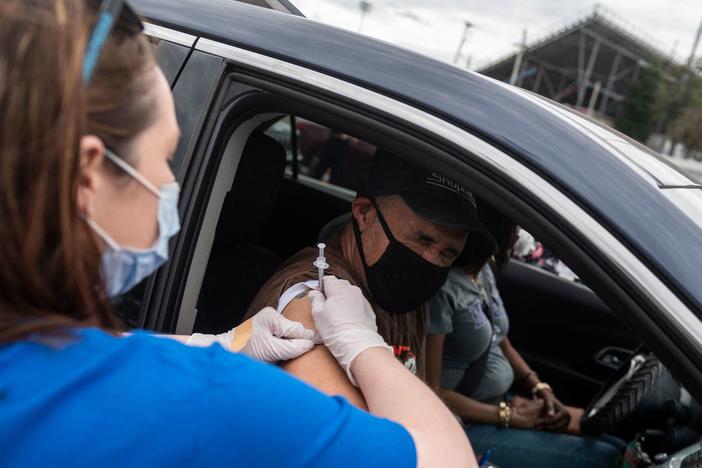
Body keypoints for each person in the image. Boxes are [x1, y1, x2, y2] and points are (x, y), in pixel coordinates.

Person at [0, 1, 477, 466]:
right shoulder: (207, 397)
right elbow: (445, 459)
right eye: (167, 157)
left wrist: (218, 341)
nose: (173, 182)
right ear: (88, 177)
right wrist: (364, 346)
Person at [245, 149, 490, 407]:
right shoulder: (315, 300)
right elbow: (351, 441)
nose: (431, 260)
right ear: (364, 213)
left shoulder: (402, 294)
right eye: (423, 239)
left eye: (448, 252)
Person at [425, 201, 625, 468]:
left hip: (497, 404)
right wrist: (509, 416)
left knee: (616, 444)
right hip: (462, 423)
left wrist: (540, 389)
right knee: (602, 458)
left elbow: (502, 342)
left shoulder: (482, 273)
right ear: (492, 231)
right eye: (514, 226)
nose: (519, 234)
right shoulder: (444, 291)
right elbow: (432, 391)